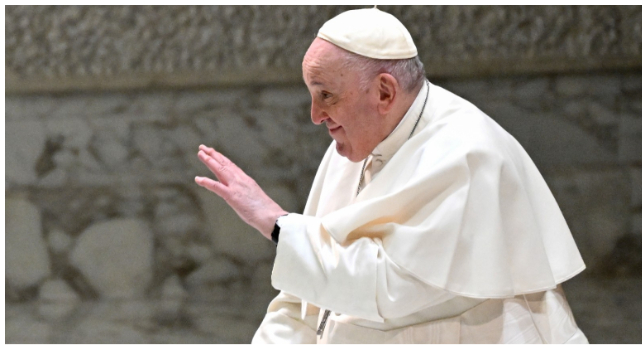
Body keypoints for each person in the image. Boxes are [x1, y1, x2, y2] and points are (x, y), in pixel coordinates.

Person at [195, 7, 588, 344]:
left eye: (326, 95)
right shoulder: (352, 148)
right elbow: (305, 298)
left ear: (384, 92)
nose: (315, 116)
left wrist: (275, 223)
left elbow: (389, 287)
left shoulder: (468, 154)